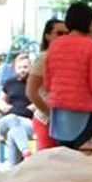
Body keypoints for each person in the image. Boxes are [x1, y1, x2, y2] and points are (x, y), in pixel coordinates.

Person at [45, 3, 92, 150]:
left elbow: (48, 84)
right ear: (88, 23)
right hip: (85, 115)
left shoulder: (55, 45)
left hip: (58, 116)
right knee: (82, 162)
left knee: (63, 161)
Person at [27, 17, 68, 150]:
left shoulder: (66, 58)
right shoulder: (44, 58)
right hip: (47, 120)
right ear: (48, 36)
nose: (64, 37)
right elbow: (31, 92)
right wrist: (50, 114)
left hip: (64, 120)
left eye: (67, 34)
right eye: (59, 33)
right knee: (47, 163)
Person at [0, 53, 35, 165]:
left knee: (12, 134)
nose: (22, 70)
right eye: (20, 67)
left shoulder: (34, 83)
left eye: (25, 67)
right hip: (7, 120)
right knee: (12, 118)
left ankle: (13, 171)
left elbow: (41, 100)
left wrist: (34, 106)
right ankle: (26, 151)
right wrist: (3, 105)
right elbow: (0, 101)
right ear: (14, 68)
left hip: (26, 121)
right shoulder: (9, 82)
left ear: (30, 67)